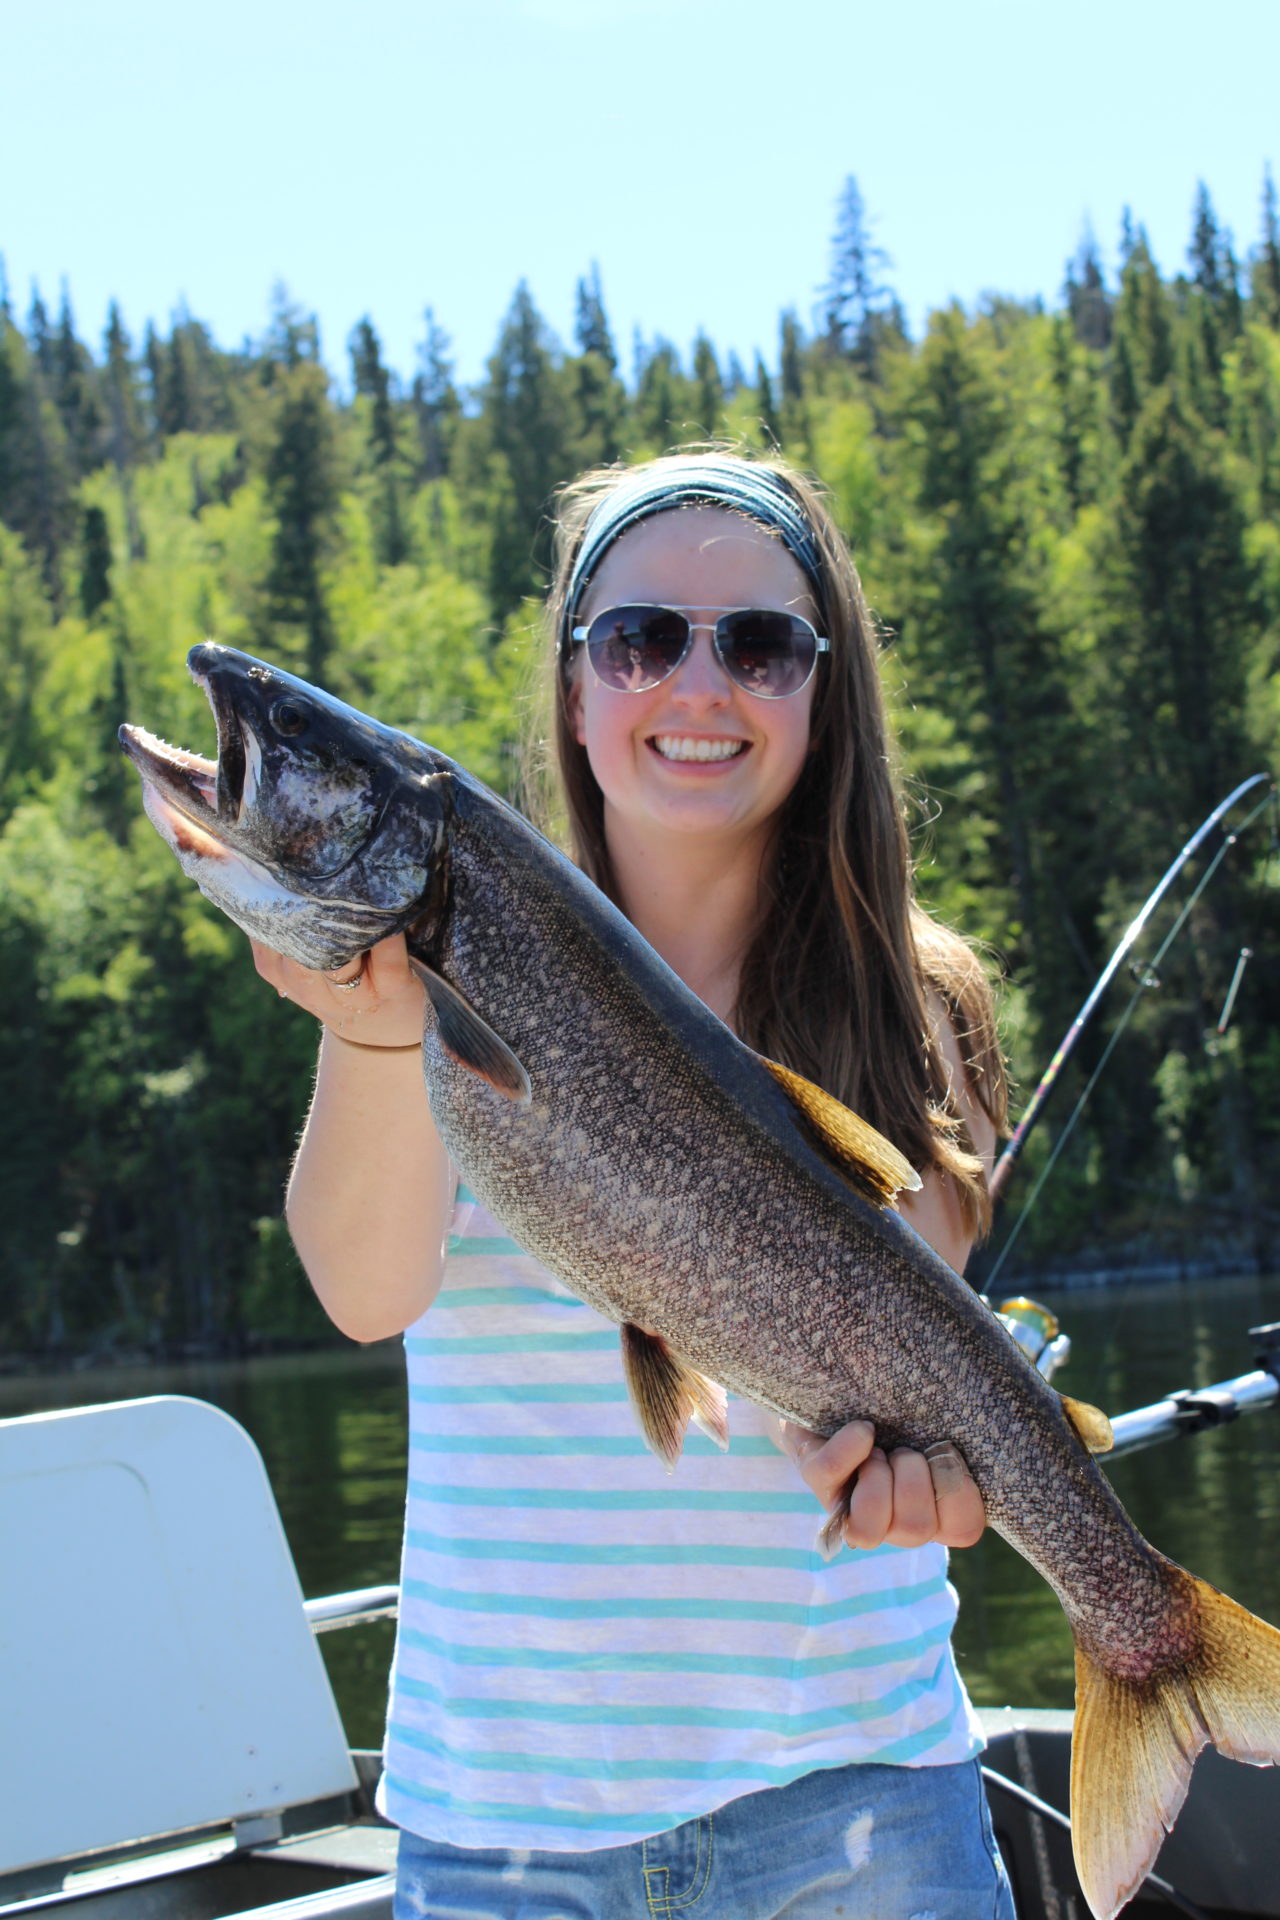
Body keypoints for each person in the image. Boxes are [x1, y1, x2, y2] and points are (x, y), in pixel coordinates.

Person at [254, 451, 1014, 1919]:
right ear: (578, 686)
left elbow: (925, 1392)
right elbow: (362, 1292)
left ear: (825, 686)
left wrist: (935, 1486)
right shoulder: (421, 958)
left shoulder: (918, 1002)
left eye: (762, 645)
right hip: (505, 1830)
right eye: (642, 638)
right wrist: (367, 1024)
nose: (697, 684)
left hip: (859, 1796)